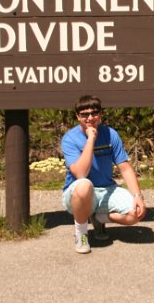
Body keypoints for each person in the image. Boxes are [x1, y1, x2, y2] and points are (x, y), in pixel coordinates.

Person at [61, 95, 147, 254]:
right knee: (84, 185)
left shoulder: (110, 134)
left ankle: (99, 218)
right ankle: (82, 235)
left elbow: (125, 168)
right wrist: (91, 139)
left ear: (101, 114)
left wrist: (137, 196)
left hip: (106, 189)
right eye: (84, 114)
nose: (90, 118)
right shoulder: (70, 139)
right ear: (77, 116)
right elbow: (80, 173)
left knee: (135, 215)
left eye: (94, 113)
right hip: (77, 195)